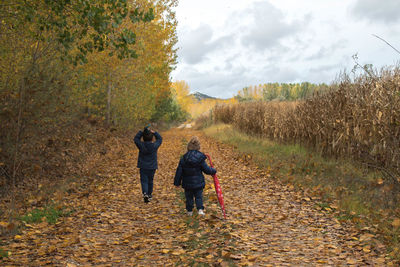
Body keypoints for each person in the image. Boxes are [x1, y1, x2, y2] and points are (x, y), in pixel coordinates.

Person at [174, 136, 216, 216]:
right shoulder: (200, 158)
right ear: (198, 147)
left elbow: (179, 171)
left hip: (187, 183)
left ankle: (189, 211)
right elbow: (206, 170)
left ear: (188, 147)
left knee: (189, 197)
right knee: (198, 196)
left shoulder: (183, 158)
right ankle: (200, 210)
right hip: (198, 182)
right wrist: (213, 171)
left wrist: (177, 183)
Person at [134, 126, 162, 203]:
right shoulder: (154, 145)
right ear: (152, 138)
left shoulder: (141, 145)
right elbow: (160, 139)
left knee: (144, 181)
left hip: (143, 166)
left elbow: (136, 139)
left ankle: (145, 193)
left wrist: (141, 132)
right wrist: (155, 133)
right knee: (150, 180)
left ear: (143, 138)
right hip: (152, 167)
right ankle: (149, 195)